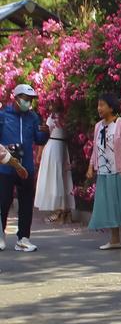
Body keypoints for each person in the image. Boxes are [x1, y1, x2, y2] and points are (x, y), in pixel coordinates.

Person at [87, 93, 121, 250]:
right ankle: (115, 240)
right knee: (109, 206)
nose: (99, 108)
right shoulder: (98, 126)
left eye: (102, 105)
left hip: (120, 170)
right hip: (104, 172)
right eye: (98, 105)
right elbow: (96, 149)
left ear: (111, 107)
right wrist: (91, 166)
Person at [0, 84, 50, 252]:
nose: (28, 102)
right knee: (3, 201)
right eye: (25, 99)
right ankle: (1, 235)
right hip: (6, 167)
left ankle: (23, 238)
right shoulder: (3, 115)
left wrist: (45, 133)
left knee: (26, 203)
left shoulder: (33, 117)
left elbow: (39, 140)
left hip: (26, 167)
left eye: (30, 100)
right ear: (16, 98)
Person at [35, 103, 75, 223]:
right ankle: (65, 210)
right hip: (63, 146)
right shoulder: (66, 118)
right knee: (63, 177)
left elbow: (44, 136)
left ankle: (59, 210)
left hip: (53, 146)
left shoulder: (52, 118)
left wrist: (39, 153)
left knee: (54, 177)